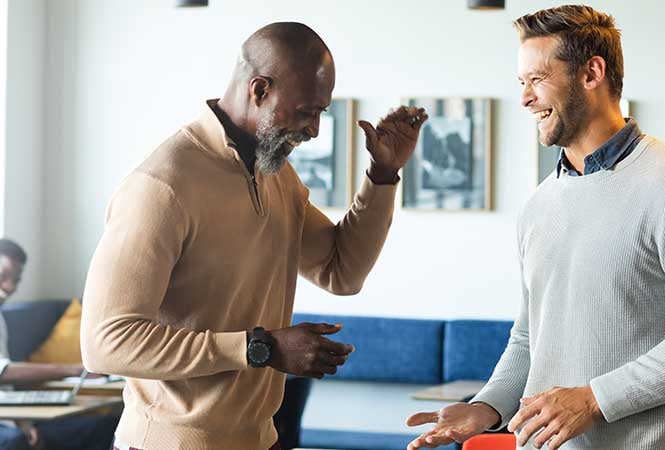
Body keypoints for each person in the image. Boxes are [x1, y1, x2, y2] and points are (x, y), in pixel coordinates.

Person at [407, 5, 665, 450]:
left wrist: (593, 400)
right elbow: (533, 335)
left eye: (537, 79)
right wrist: (488, 406)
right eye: (521, 83)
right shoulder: (538, 204)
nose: (525, 99)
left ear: (592, 73)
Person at [80, 22, 427, 450]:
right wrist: (260, 347)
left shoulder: (276, 175)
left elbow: (342, 273)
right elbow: (105, 342)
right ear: (259, 89)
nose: (315, 130)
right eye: (306, 112)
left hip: (262, 439)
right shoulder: (163, 186)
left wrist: (383, 174)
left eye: (320, 112)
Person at [0, 238, 117, 450]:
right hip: (8, 419)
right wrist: (73, 369)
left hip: (12, 414)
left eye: (16, 280)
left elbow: (5, 386)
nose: (9, 287)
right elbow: (2, 372)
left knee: (105, 426)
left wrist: (22, 422)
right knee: (15, 441)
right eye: (2, 276)